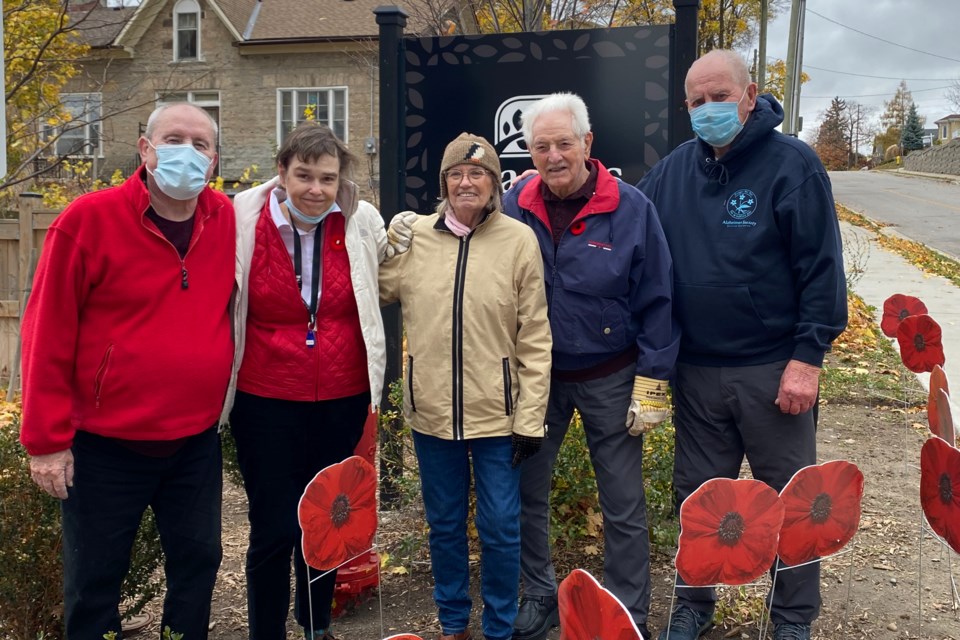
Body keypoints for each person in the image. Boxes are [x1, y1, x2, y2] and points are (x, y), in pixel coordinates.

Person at [636, 50, 847, 640]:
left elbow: (822, 269)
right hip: (698, 372)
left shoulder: (793, 166)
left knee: (792, 499)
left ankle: (792, 618)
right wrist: (541, 192)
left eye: (719, 97)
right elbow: (627, 219)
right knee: (698, 500)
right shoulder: (674, 171)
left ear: (750, 95)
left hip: (774, 370)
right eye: (697, 103)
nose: (709, 110)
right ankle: (694, 605)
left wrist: (808, 358)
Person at [20, 103, 233, 640]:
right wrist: (46, 441)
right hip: (105, 447)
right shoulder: (88, 219)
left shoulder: (225, 219)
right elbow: (45, 332)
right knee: (95, 583)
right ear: (145, 148)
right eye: (174, 138)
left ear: (213, 161)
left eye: (201, 144)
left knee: (198, 567)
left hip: (193, 443)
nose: (187, 152)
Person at [504, 93, 680, 640]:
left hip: (611, 376)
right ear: (529, 152)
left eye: (563, 142)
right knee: (526, 492)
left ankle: (627, 612)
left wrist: (652, 382)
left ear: (587, 143)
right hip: (537, 381)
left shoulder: (630, 207)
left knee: (623, 503)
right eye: (540, 146)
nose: (553, 155)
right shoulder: (514, 205)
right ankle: (539, 593)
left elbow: (657, 297)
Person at [380, 133, 552, 640]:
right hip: (431, 415)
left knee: (500, 528)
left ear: (495, 184)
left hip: (497, 418)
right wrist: (386, 243)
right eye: (456, 174)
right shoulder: (420, 239)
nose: (466, 182)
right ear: (444, 184)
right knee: (446, 525)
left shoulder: (518, 241)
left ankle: (498, 625)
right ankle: (453, 622)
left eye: (478, 174)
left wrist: (530, 417)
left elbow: (536, 335)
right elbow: (377, 289)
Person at [227, 122, 391, 640]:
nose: (315, 189)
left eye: (326, 177)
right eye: (303, 175)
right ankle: (266, 631)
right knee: (274, 527)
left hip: (341, 397)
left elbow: (389, 268)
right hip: (265, 399)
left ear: (339, 177)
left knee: (325, 523)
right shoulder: (242, 220)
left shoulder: (362, 220)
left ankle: (316, 626)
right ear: (282, 172)